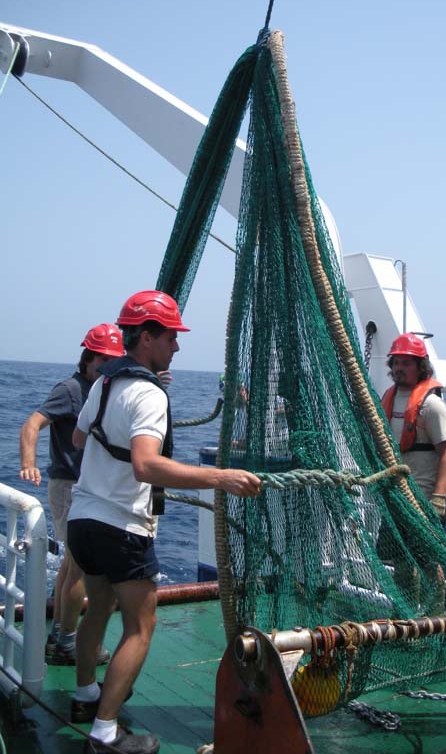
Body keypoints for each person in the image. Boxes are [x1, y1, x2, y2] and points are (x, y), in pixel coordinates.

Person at [67, 290, 261, 754]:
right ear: (148, 337)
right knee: (141, 626)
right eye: (170, 336)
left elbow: (77, 439)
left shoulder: (104, 383)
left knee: (97, 608)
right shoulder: (149, 394)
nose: (176, 346)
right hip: (122, 526)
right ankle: (105, 733)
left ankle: (85, 696)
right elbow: (146, 467)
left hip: (82, 519)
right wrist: (222, 477)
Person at [19, 324, 125, 664]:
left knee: (70, 563)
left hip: (88, 487)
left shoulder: (103, 390)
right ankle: (67, 642)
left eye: (114, 360)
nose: (107, 366)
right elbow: (32, 423)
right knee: (80, 567)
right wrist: (28, 462)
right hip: (68, 486)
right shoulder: (70, 390)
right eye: (102, 359)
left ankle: (58, 635)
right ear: (88, 358)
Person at [381, 333, 446, 524]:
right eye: (396, 362)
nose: (399, 368)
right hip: (393, 494)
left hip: (421, 499)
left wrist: (438, 498)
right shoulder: (386, 399)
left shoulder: (431, 405)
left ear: (420, 367)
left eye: (406, 363)